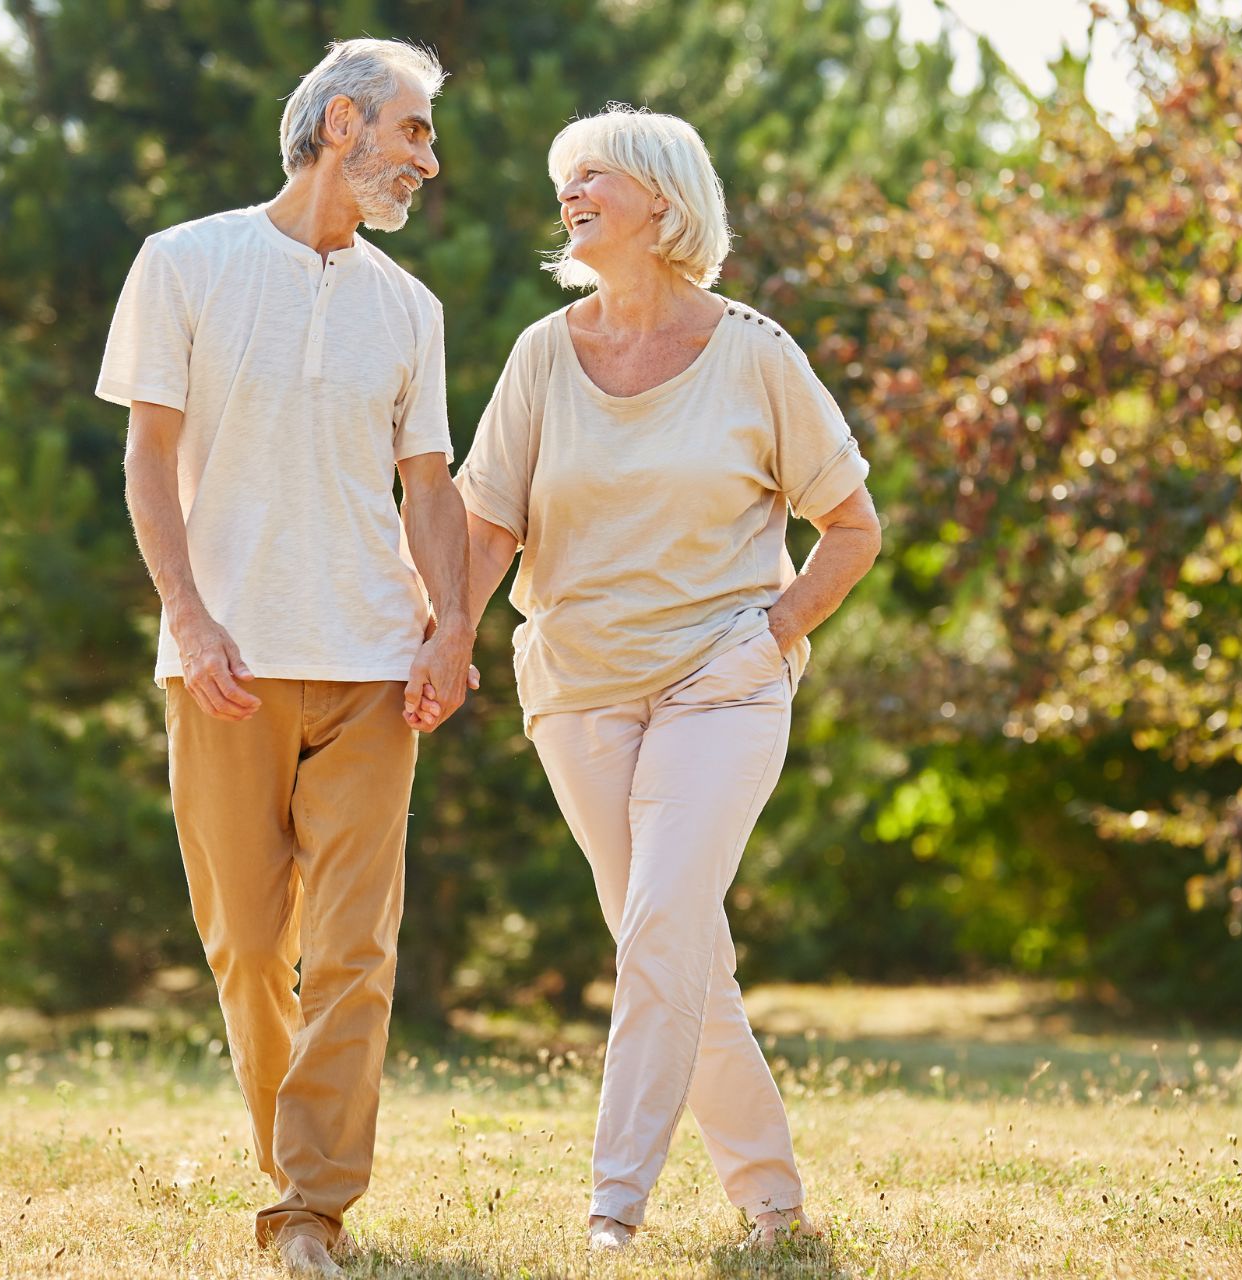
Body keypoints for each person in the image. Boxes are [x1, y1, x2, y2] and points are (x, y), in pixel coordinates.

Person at [455, 104, 882, 1252]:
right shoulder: (543, 355)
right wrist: (445, 639)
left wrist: (773, 634)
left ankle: (615, 1205)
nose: (570, 191)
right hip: (578, 689)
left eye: (594, 173)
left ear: (662, 199)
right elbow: (488, 527)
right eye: (564, 177)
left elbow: (853, 526)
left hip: (720, 682)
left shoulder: (756, 351)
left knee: (657, 928)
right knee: (680, 946)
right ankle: (775, 1207)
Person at [96, 38, 472, 1279]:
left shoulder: (409, 307)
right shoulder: (185, 262)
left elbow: (430, 486)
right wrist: (191, 617)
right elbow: (149, 461)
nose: (428, 160)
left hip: (372, 662)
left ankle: (312, 1201)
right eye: (413, 130)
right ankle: (290, 1162)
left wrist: (452, 625)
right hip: (227, 665)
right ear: (343, 124)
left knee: (354, 947)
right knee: (251, 946)